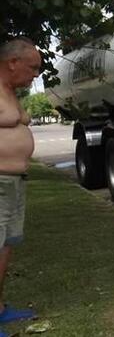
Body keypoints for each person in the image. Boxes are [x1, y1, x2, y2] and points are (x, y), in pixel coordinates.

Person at [0, 38, 41, 332]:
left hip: (14, 182)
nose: (36, 75)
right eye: (33, 68)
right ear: (13, 62)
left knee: (6, 245)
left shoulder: (9, 92)